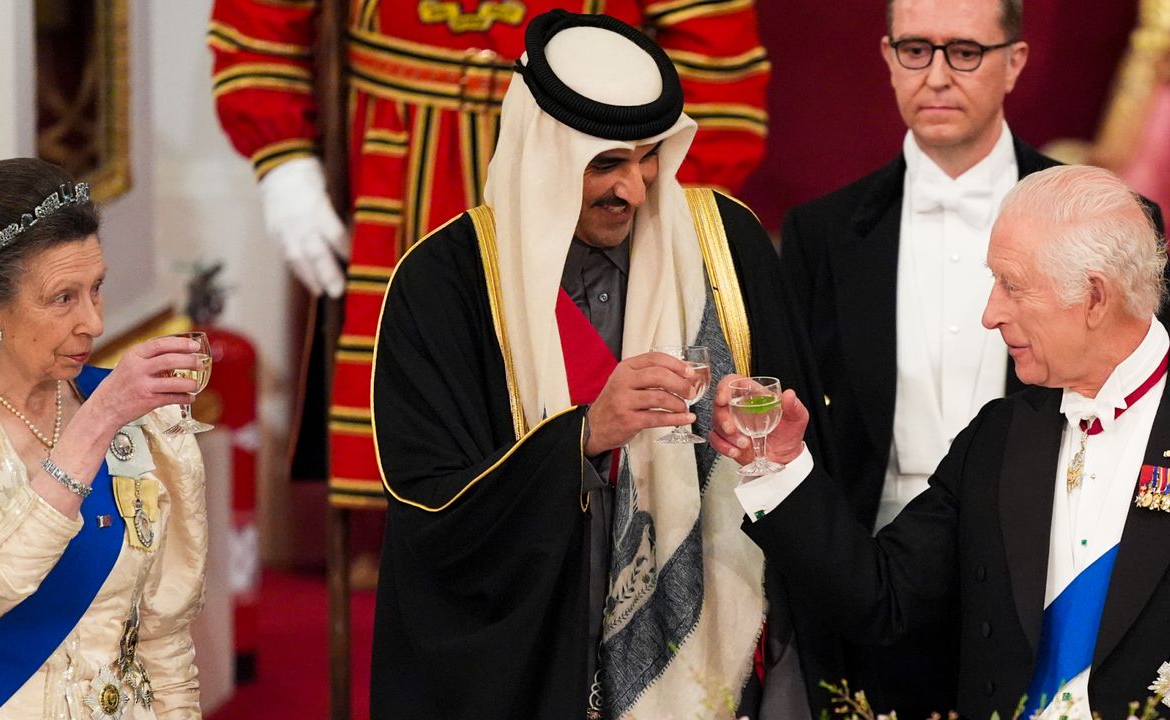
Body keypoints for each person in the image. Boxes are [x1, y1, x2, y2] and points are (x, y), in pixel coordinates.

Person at [206, 0, 773, 577]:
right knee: (431, 443)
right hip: (403, 155)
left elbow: (711, 30)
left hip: (593, 140)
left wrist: (661, 195)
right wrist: (280, 151)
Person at [370, 10, 826, 719]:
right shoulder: (444, 283)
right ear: (547, 154)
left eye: (650, 158)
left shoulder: (725, 244)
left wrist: (761, 444)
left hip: (716, 656)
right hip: (539, 658)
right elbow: (431, 511)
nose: (636, 190)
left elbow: (798, 441)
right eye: (607, 164)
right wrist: (581, 438)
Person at [778, 0, 1164, 713]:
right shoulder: (822, 233)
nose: (936, 76)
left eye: (964, 51)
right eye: (915, 50)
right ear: (887, 56)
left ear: (1015, 61)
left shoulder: (1108, 216)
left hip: (1057, 578)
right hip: (892, 578)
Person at [716, 164, 1170, 720]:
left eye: (1013, 285)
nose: (989, 314)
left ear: (1094, 298)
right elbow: (883, 598)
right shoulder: (998, 437)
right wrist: (777, 464)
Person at [0, 158, 208, 719]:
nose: (94, 323)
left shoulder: (144, 424)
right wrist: (99, 419)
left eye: (97, 288)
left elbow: (164, 636)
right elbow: (2, 566)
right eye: (63, 298)